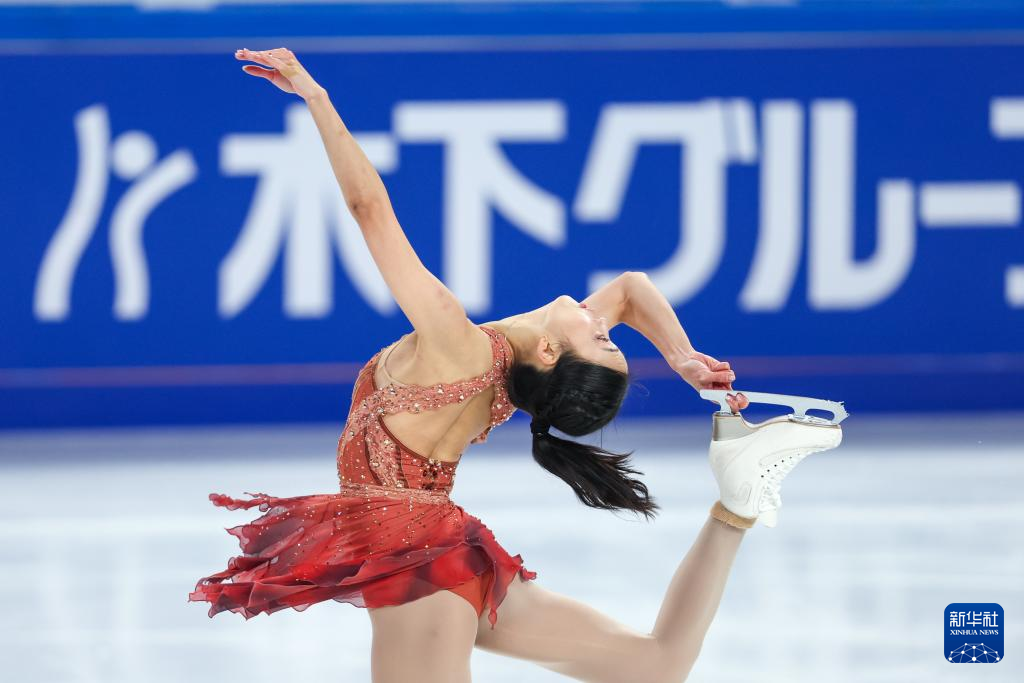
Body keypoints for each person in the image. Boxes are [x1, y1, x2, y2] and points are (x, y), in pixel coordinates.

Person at [189, 48, 829, 683]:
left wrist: (317, 100)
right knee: (655, 666)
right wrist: (683, 358)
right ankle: (735, 506)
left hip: (418, 565)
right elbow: (633, 289)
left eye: (601, 337)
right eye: (608, 336)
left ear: (552, 353)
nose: (602, 319)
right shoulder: (509, 374)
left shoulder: (457, 344)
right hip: (438, 550)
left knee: (655, 667)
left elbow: (369, 211)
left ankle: (737, 502)